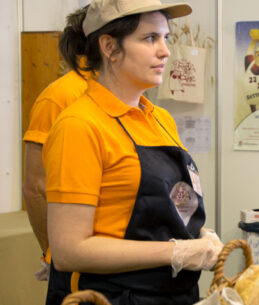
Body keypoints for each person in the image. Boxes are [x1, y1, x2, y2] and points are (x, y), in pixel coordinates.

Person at [42, 1, 223, 304]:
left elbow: (171, 202)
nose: (165, 51)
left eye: (166, 38)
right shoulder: (80, 125)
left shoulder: (160, 120)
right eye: (150, 38)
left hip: (175, 294)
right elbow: (68, 250)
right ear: (109, 46)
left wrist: (199, 234)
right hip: (112, 296)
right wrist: (176, 251)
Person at [22, 6, 93, 281]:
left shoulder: (125, 96)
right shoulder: (59, 96)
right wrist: (51, 253)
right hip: (76, 260)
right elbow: (35, 187)